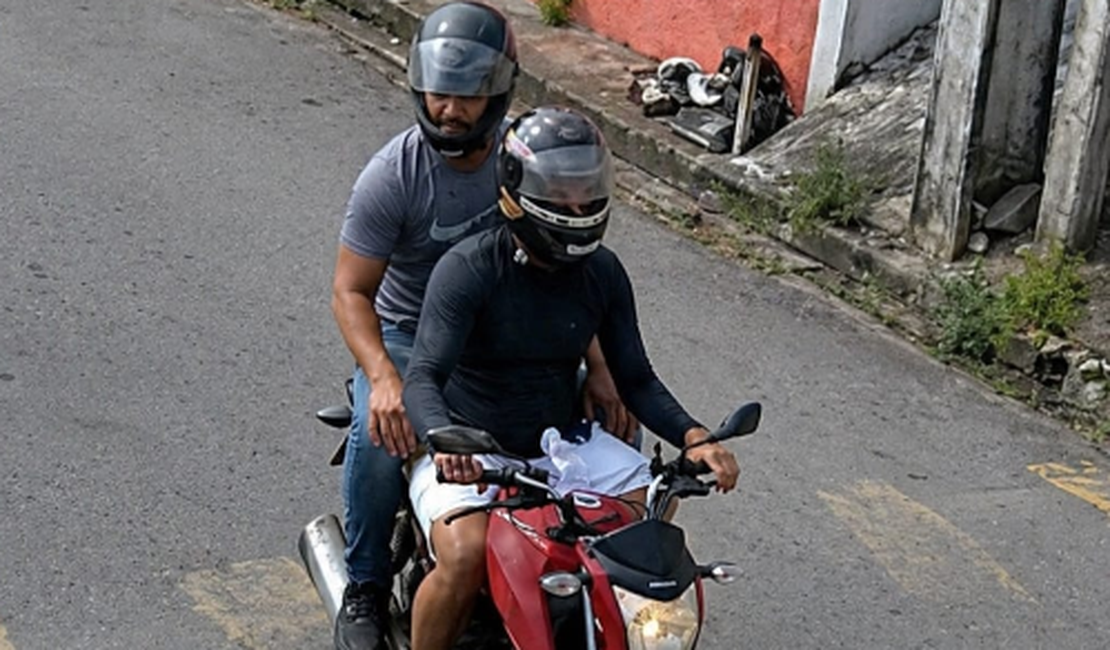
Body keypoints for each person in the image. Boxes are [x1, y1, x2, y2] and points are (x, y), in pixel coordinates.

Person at [328, 4, 635, 649]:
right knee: (380, 428)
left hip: (506, 330)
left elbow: (563, 271)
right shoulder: (395, 176)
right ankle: (365, 583)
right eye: (440, 92)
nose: (450, 110)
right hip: (412, 338)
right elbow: (351, 292)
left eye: (468, 96)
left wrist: (601, 366)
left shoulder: (530, 159)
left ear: (498, 94)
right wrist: (383, 376)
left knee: (602, 428)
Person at [401, 106, 741, 650]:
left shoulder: (602, 272)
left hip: (560, 448)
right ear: (516, 192)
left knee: (650, 509)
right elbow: (422, 377)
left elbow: (637, 378)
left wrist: (695, 438)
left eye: (586, 191)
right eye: (560, 193)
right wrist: (445, 441)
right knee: (463, 554)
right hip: (474, 450)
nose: (577, 207)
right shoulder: (468, 269)